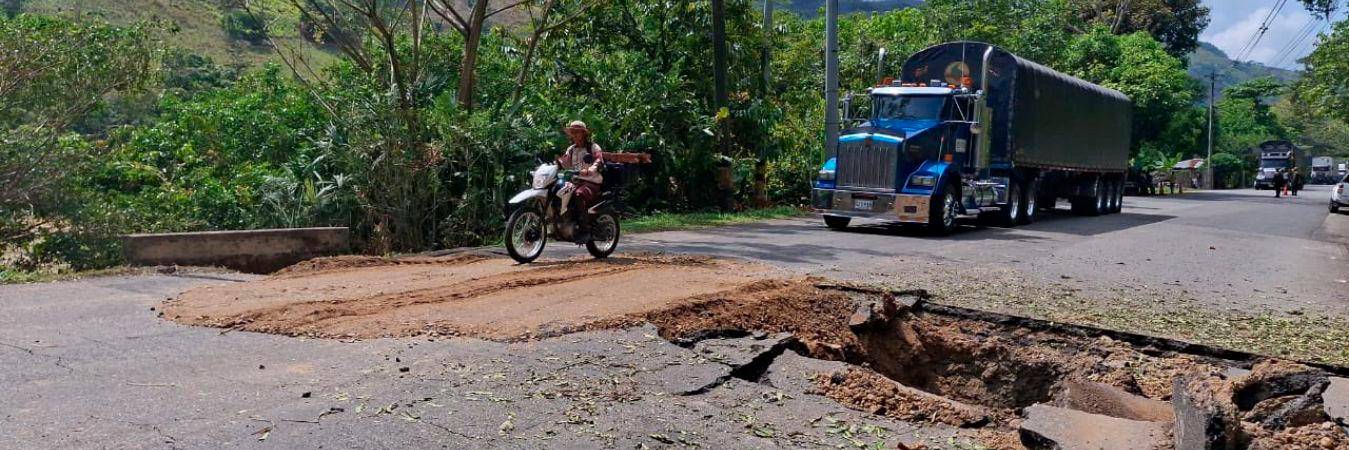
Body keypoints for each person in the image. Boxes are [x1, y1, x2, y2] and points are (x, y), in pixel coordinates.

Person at [556, 120, 604, 241]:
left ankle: (584, 228)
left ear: (584, 134)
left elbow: (599, 160)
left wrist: (591, 169)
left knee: (578, 195)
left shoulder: (593, 147)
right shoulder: (571, 149)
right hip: (575, 181)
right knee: (558, 191)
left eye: (577, 132)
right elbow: (564, 162)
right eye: (572, 132)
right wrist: (557, 164)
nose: (574, 135)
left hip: (591, 182)